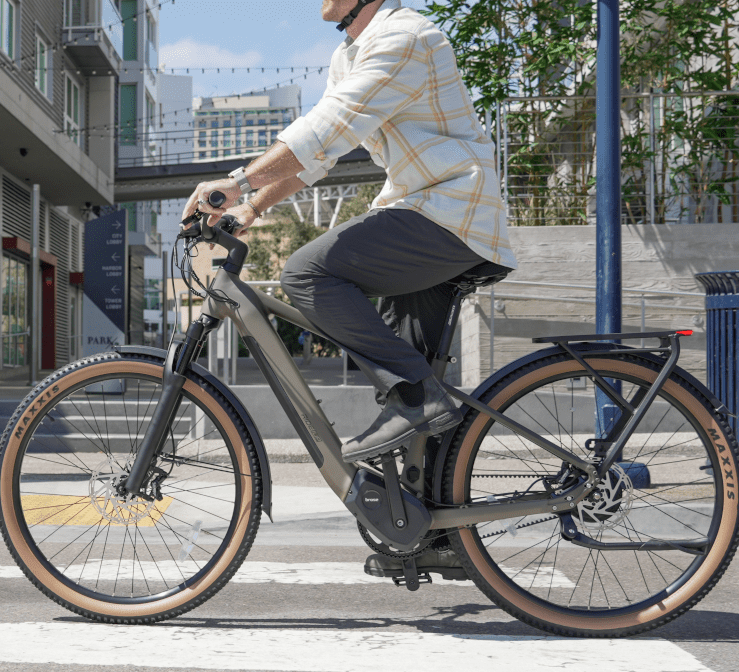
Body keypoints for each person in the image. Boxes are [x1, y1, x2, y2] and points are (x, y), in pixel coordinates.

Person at [183, 1, 516, 577]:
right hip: (426, 212)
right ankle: (443, 535)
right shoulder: (349, 53)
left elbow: (331, 125)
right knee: (420, 387)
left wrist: (235, 181)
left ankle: (416, 396)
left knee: (306, 275)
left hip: (448, 212)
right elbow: (321, 156)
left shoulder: (406, 35)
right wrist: (252, 206)